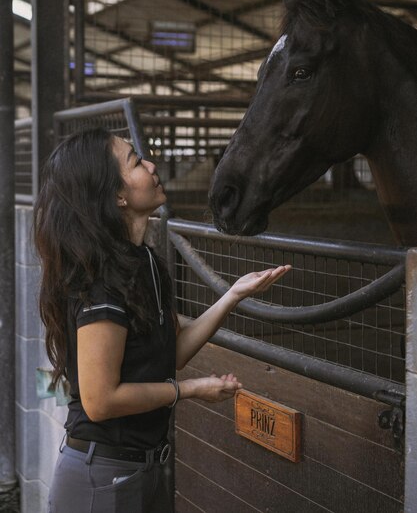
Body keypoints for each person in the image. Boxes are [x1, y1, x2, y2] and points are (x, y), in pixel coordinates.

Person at [34, 127, 291, 513]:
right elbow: (100, 401)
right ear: (117, 196)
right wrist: (186, 391)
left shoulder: (146, 263)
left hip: (145, 470)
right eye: (136, 162)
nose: (151, 165)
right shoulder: (102, 282)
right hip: (102, 478)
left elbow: (170, 355)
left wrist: (233, 295)